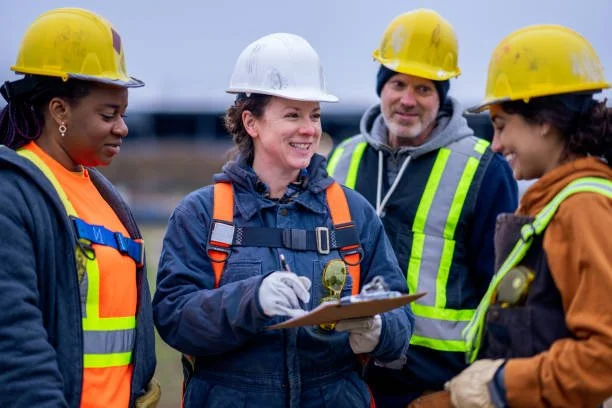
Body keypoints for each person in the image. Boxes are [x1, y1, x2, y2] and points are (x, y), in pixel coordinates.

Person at [153, 32, 414, 408]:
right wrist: (250, 299)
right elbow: (174, 318)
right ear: (251, 123)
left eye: (315, 115)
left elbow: (400, 316)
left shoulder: (352, 213)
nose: (309, 129)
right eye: (292, 115)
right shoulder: (202, 214)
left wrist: (378, 331)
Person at [326, 9, 518, 406]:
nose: (408, 101)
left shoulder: (485, 169)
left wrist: (473, 388)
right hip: (346, 376)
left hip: (436, 383)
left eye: (425, 88)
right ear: (381, 87)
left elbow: (501, 296)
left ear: (441, 96)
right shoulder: (342, 159)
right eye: (397, 84)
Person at [444, 24, 612, 407]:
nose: (496, 144)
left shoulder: (583, 208)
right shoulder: (553, 202)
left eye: (502, 126)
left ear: (544, 120)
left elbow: (605, 356)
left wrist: (503, 383)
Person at [0, 8, 158, 408]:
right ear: (59, 111)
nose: (122, 127)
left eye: (123, 114)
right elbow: (14, 344)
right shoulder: (12, 196)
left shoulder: (105, 197)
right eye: (109, 114)